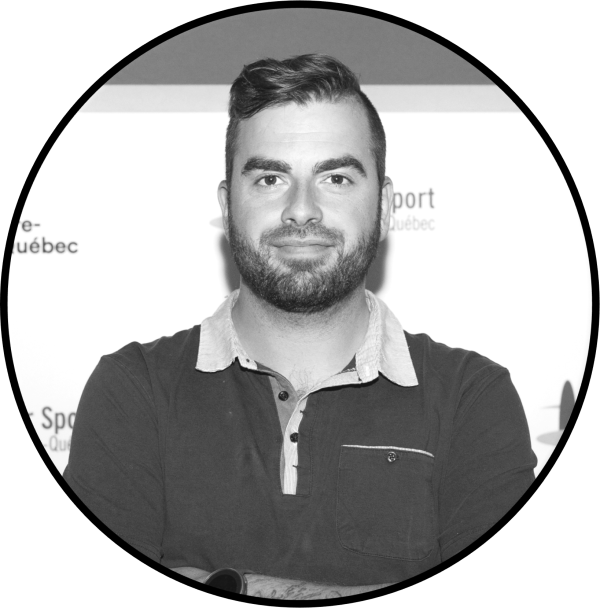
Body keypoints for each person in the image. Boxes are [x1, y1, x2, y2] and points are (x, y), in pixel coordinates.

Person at [63, 54, 537, 598]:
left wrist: (238, 584)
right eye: (270, 178)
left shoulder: (472, 400)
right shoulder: (134, 391)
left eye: (335, 178)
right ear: (227, 207)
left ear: (385, 207)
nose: (302, 210)